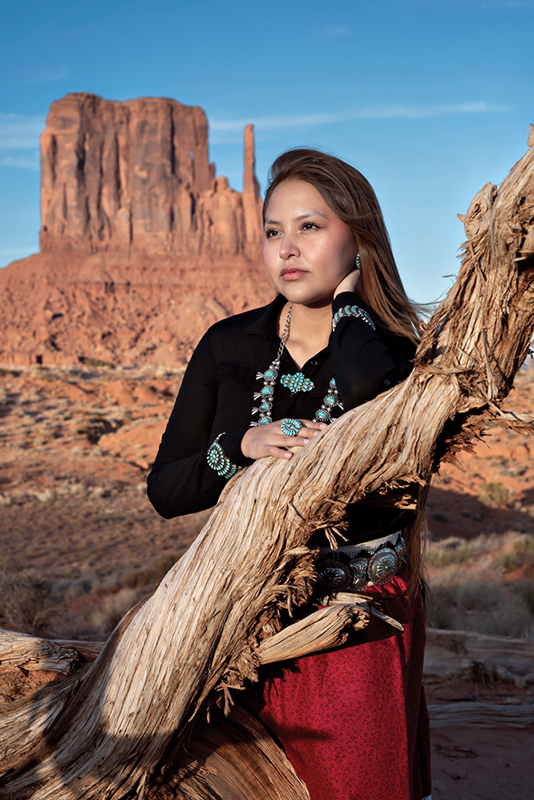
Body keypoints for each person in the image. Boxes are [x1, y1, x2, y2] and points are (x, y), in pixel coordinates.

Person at [147, 148, 432, 800]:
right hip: (235, 620)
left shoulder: (394, 354)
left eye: (310, 226)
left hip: (355, 624)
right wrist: (239, 445)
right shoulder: (229, 344)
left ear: (359, 238)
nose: (287, 248)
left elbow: (371, 394)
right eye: (274, 230)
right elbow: (166, 490)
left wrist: (351, 308)